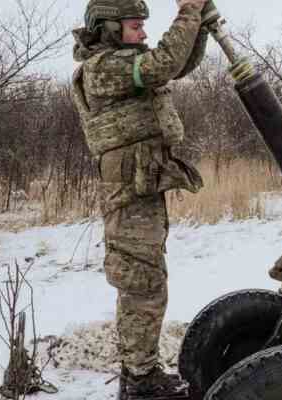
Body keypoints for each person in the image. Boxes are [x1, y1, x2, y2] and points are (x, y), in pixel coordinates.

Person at [70, 0, 209, 398]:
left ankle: (139, 374)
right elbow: (162, 64)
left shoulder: (125, 64)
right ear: (109, 29)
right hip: (128, 195)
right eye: (136, 27)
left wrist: (196, 23)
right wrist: (188, 12)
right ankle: (141, 381)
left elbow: (178, 64)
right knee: (142, 285)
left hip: (141, 190)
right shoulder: (104, 68)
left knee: (145, 283)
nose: (144, 34)